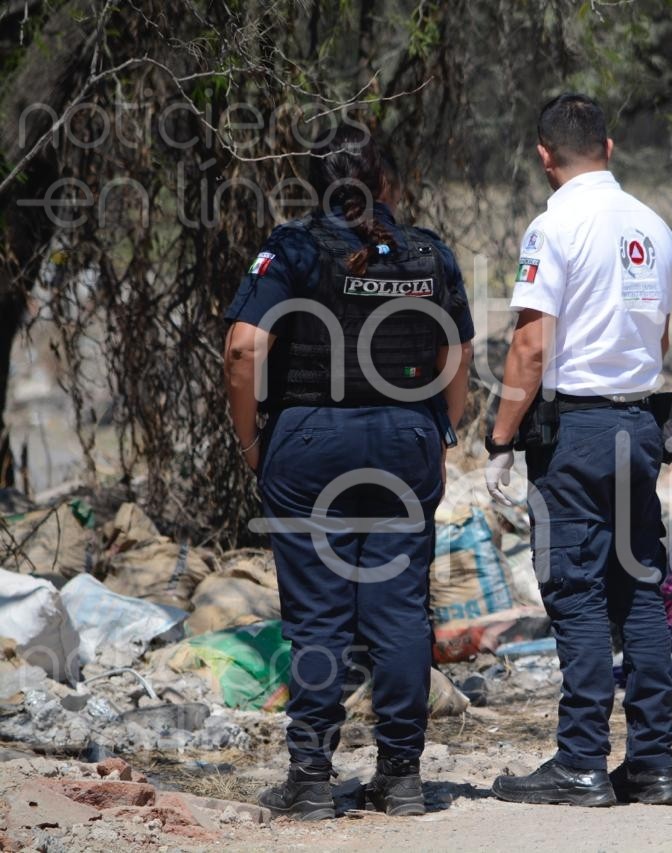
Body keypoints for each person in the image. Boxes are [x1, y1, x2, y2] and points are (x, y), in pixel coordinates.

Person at [222, 125, 474, 819]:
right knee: (398, 613)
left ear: (315, 187)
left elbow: (244, 350)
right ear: (385, 183)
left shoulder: (293, 249)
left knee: (319, 616)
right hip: (405, 439)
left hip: (311, 442)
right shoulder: (429, 253)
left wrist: (249, 442)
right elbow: (458, 357)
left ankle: (310, 779)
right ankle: (400, 778)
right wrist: (441, 437)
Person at [484, 93, 672, 807]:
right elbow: (657, 338)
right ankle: (655, 762)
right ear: (610, 145)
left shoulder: (554, 223)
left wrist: (500, 439)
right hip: (640, 427)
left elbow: (532, 344)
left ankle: (580, 762)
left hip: (579, 434)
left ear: (544, 155)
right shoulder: (655, 227)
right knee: (639, 590)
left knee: (577, 591)